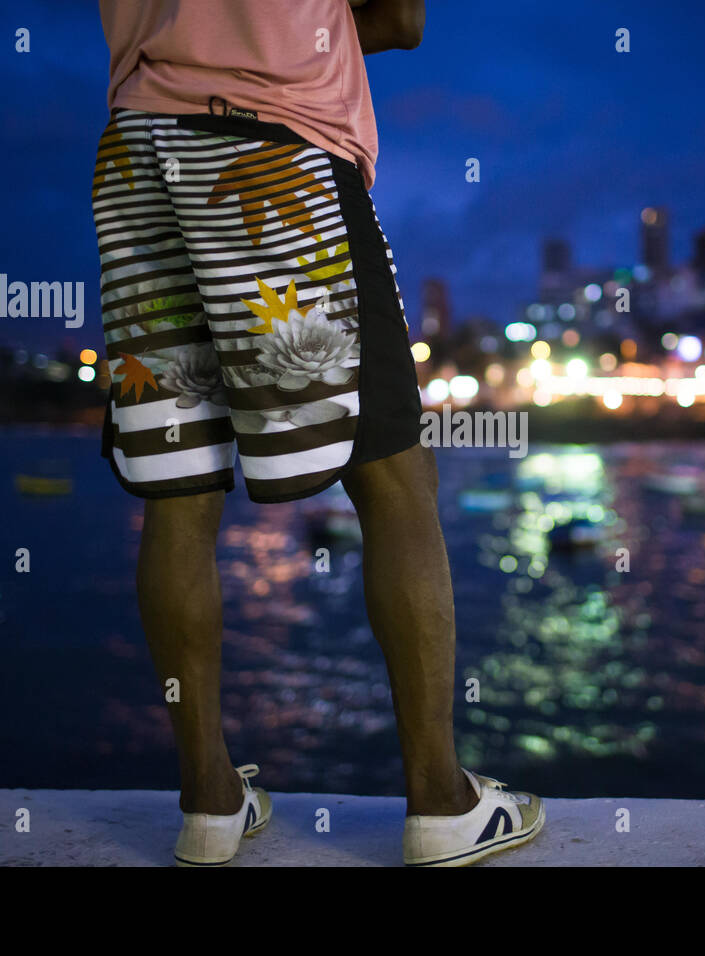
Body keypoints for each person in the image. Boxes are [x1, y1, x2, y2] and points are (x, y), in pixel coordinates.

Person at [92, 0, 543, 866]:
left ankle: (210, 803)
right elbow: (400, 18)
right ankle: (441, 802)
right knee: (394, 479)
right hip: (274, 148)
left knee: (176, 487)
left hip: (138, 153)